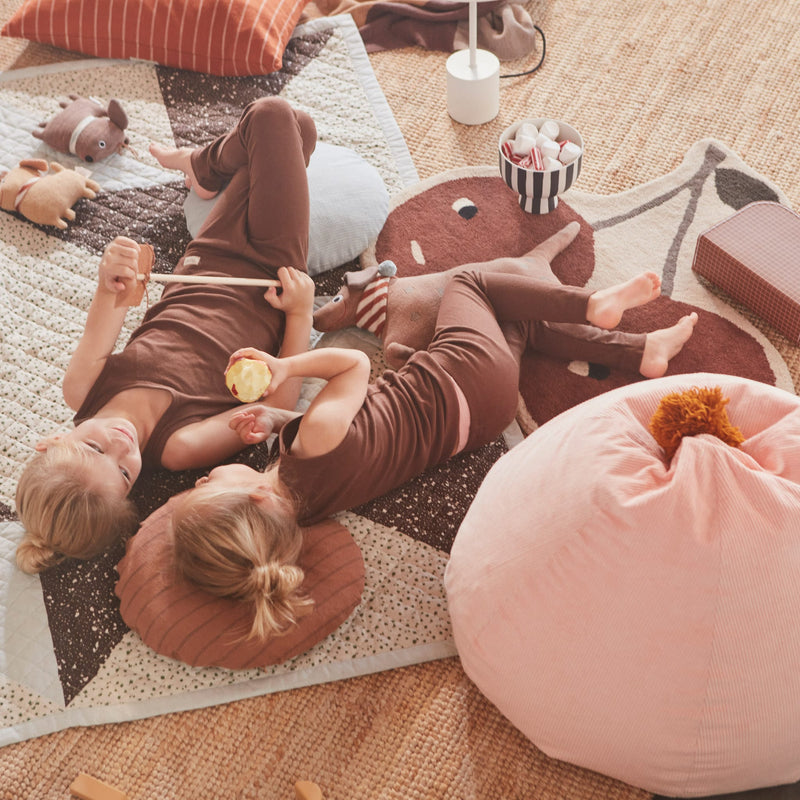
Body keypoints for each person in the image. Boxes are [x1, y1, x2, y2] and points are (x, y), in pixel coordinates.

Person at [170, 221, 699, 640]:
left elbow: (348, 443)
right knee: (470, 285)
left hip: (481, 419)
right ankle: (592, 304)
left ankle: (642, 351)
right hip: (461, 375)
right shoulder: (312, 443)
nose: (200, 479)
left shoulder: (307, 508)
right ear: (257, 499)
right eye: (204, 486)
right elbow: (354, 366)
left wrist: (275, 419)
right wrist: (286, 368)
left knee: (515, 315)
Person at [15, 97, 318, 573]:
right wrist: (301, 314)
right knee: (287, 123)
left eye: (95, 448)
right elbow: (277, 406)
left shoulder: (81, 389)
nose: (122, 445)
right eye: (124, 473)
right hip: (270, 279)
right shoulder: (179, 447)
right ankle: (203, 166)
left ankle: (204, 166)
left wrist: (114, 271)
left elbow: (115, 295)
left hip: (203, 261)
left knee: (280, 126)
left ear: (51, 440)